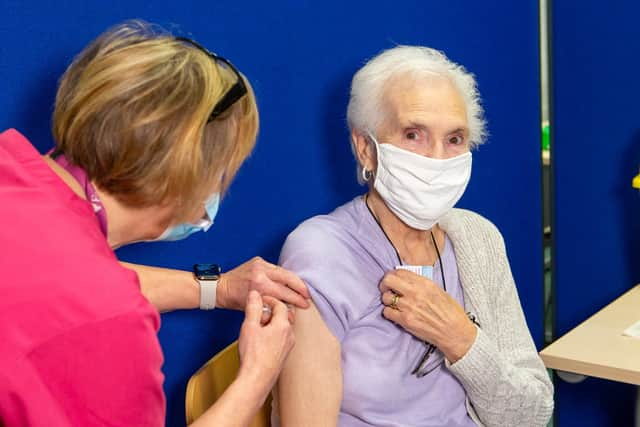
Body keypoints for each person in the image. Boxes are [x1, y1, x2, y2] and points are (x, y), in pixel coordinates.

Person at [0, 20, 309, 426]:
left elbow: (52, 288)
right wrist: (256, 377)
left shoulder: (13, 170)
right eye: (220, 173)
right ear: (179, 181)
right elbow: (85, 305)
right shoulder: (110, 325)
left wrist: (217, 289)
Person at [274, 46, 554, 426]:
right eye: (413, 135)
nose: (437, 159)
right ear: (365, 148)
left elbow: (533, 415)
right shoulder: (321, 253)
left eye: (455, 139)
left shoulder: (476, 238)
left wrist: (462, 340)